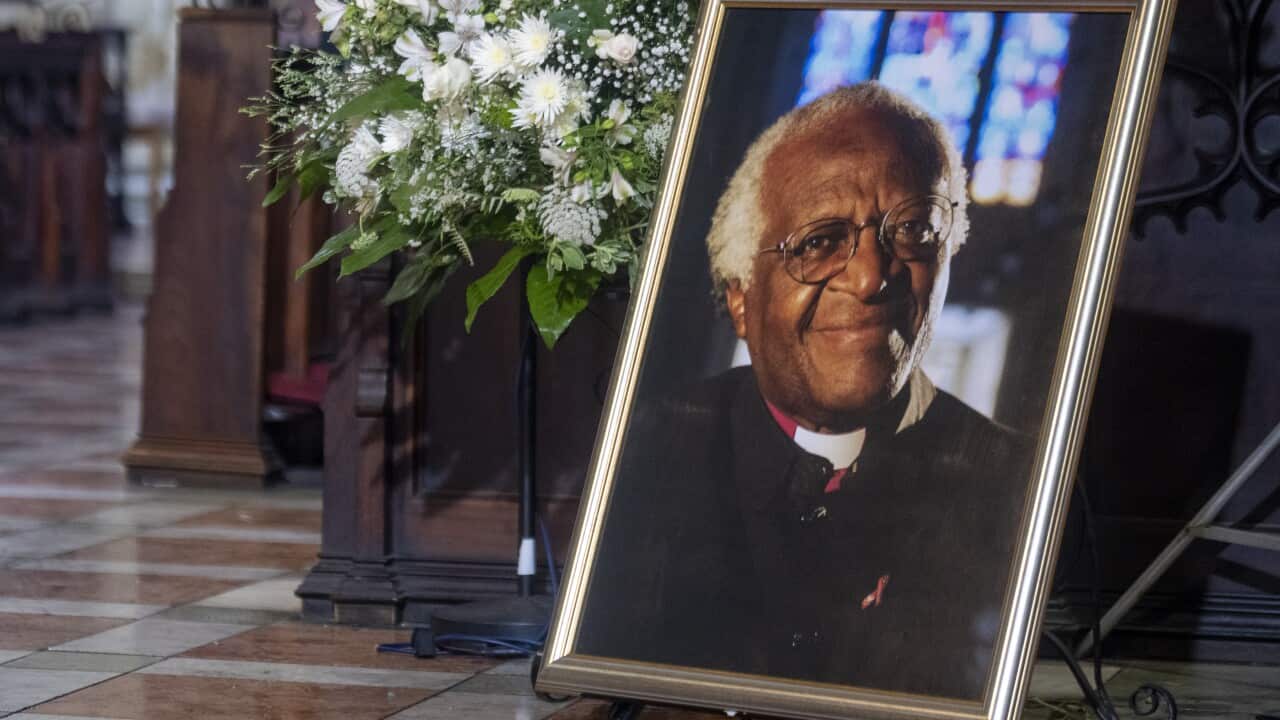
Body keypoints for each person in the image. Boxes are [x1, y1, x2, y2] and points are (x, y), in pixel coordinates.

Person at [575, 82, 1033, 701]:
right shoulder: (642, 453)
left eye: (912, 229)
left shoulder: (1016, 481)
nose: (870, 278)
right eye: (819, 242)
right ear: (741, 299)